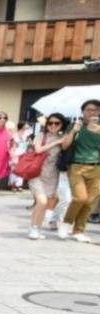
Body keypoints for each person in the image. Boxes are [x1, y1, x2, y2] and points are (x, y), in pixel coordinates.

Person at [58, 99, 100, 242]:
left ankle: (78, 231)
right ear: (83, 112)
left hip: (97, 167)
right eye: (88, 109)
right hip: (77, 166)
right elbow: (64, 146)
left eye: (95, 110)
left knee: (89, 201)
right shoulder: (75, 125)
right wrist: (74, 130)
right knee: (80, 198)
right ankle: (66, 222)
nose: (92, 112)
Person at [27, 113, 67, 240]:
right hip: (37, 173)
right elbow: (38, 150)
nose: (53, 126)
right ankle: (33, 228)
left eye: (57, 123)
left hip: (53, 175)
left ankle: (35, 228)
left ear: (62, 124)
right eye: (50, 123)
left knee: (44, 204)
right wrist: (57, 142)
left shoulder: (64, 137)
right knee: (42, 201)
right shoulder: (41, 135)